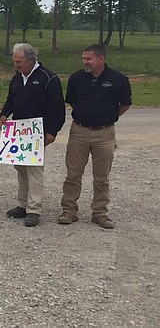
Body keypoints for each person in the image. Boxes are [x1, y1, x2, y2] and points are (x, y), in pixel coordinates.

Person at [59, 44, 131, 229]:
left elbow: (125, 104)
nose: (85, 62)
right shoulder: (76, 78)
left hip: (105, 133)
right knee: (73, 174)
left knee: (101, 177)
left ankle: (100, 213)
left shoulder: (118, 79)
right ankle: (69, 210)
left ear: (101, 59)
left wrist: (107, 117)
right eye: (84, 58)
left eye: (89, 59)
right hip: (79, 132)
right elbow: (73, 101)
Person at [0, 43, 65, 227]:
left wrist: (52, 132)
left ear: (31, 59)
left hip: (38, 132)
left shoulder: (48, 78)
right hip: (19, 132)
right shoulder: (17, 78)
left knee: (34, 170)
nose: (16, 65)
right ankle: (22, 204)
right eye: (14, 62)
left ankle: (34, 209)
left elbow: (58, 108)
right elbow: (11, 99)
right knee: (20, 168)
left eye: (19, 62)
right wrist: (4, 113)